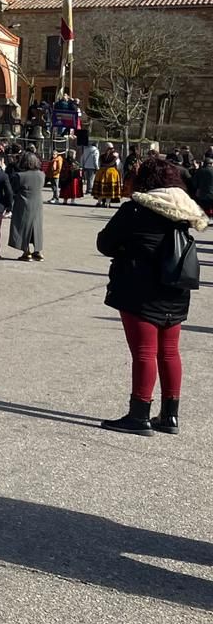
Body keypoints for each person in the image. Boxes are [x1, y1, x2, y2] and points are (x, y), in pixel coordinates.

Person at [96, 156, 206, 436]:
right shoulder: (183, 209)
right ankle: (170, 415)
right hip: (176, 286)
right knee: (169, 351)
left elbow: (105, 243)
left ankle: (139, 414)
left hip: (139, 288)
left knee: (144, 352)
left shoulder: (135, 209)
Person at [7, 150, 46, 262]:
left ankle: (26, 251)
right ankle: (38, 251)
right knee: (36, 228)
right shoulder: (41, 175)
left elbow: (13, 189)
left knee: (22, 227)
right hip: (38, 204)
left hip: (23, 203)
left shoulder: (19, 176)